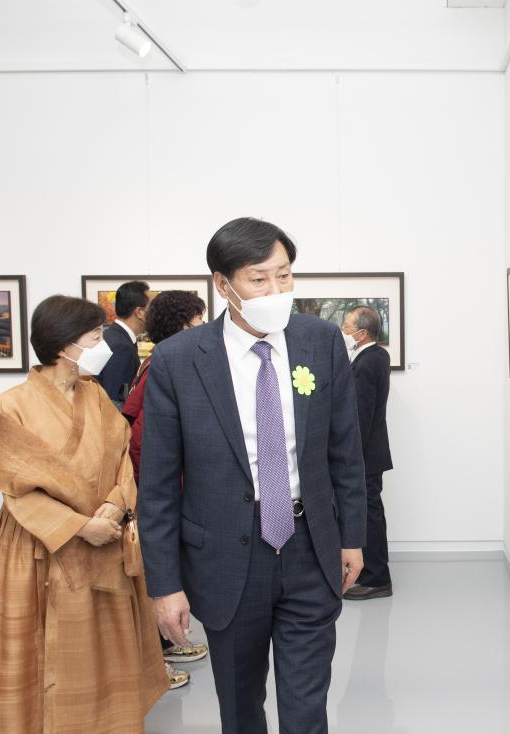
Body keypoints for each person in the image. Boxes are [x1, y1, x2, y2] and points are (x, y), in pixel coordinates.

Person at [139, 217, 367, 734]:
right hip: (224, 556)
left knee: (306, 707)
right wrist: (164, 586)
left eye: (284, 275)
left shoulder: (320, 341)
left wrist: (352, 537)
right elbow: (156, 485)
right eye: (258, 279)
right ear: (223, 285)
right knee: (240, 710)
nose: (275, 289)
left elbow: (345, 451)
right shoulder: (178, 361)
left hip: (310, 545)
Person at [0, 295, 167, 733]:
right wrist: (79, 525)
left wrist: (114, 505)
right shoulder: (10, 405)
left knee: (102, 647)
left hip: (105, 538)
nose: (101, 344)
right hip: (38, 543)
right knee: (33, 650)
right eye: (94, 337)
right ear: (66, 345)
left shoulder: (96, 397)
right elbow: (14, 482)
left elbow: (124, 458)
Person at [121, 290, 209, 690]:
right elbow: (145, 438)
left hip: (164, 484)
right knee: (159, 575)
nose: (203, 327)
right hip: (159, 487)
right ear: (180, 326)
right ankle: (155, 663)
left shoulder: (160, 361)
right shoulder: (164, 364)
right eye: (197, 321)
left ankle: (167, 644)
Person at [341, 306, 394, 600]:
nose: (343, 329)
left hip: (365, 455)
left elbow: (360, 416)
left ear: (361, 334)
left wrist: (349, 458)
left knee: (369, 515)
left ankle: (377, 579)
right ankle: (374, 573)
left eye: (347, 326)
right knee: (371, 513)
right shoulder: (376, 356)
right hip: (372, 453)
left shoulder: (367, 362)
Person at [96, 280, 150, 408]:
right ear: (140, 312)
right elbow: (115, 403)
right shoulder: (120, 346)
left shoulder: (115, 337)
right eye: (151, 307)